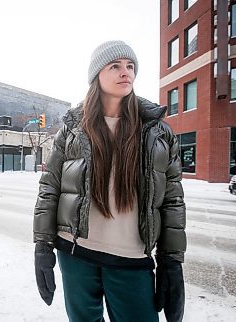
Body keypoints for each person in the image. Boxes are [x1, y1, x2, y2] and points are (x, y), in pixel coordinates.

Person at [33, 40, 186, 322]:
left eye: (130, 66)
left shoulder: (157, 132)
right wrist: (43, 245)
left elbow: (173, 200)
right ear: (96, 76)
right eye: (114, 66)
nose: (125, 72)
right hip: (75, 252)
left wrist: (171, 261)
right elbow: (50, 188)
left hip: (131, 258)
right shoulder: (72, 129)